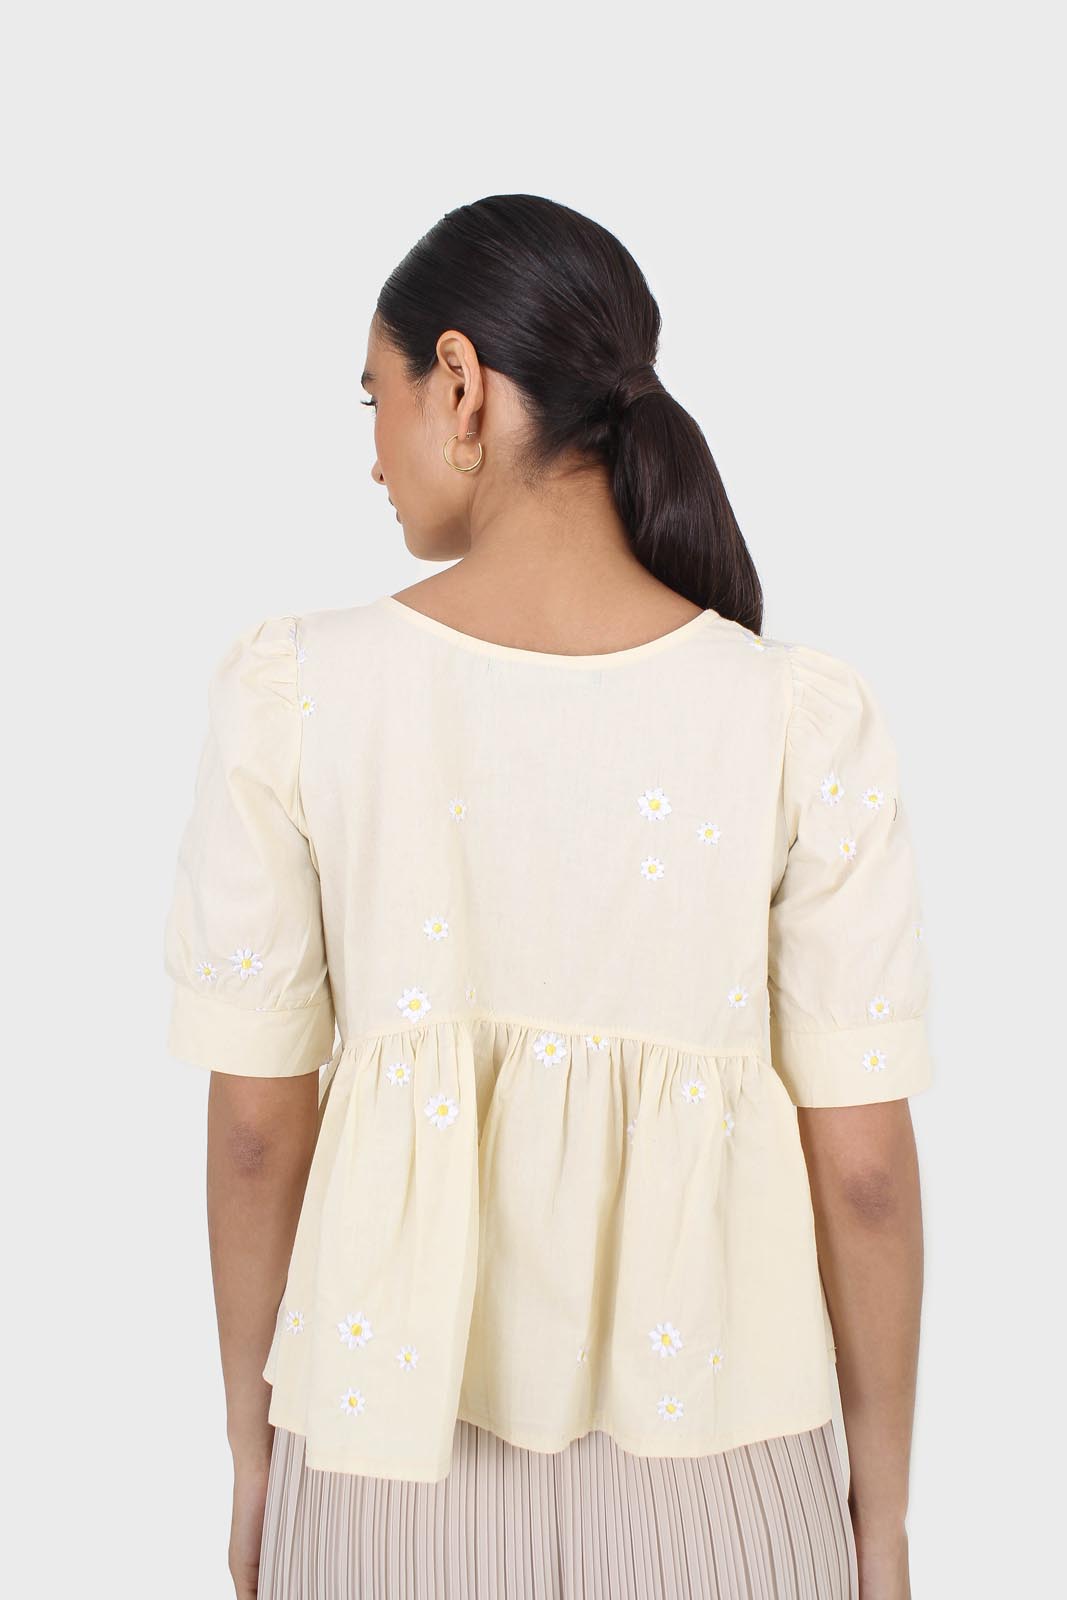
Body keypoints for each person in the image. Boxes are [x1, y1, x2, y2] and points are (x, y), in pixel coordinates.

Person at [163, 194, 934, 1600]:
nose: (373, 454)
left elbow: (258, 1134)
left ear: (458, 385)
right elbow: (869, 1174)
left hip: (386, 1471)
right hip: (728, 1482)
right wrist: (877, 1529)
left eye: (376, 397)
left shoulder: (299, 695)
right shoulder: (795, 719)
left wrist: (252, 1455)